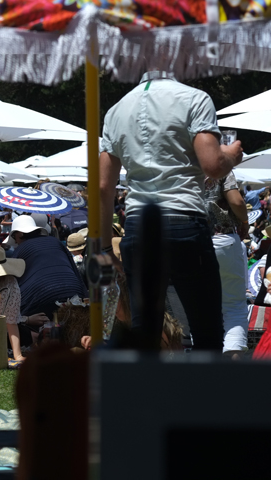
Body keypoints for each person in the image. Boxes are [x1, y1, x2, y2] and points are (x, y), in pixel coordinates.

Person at [99, 71, 243, 350]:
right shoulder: (195, 99)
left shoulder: (116, 110)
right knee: (206, 330)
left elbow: (104, 187)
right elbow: (213, 164)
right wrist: (231, 156)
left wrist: (105, 248)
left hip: (139, 226)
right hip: (184, 221)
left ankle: (147, 393)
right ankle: (204, 393)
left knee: (145, 331)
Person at [204, 171, 249, 357]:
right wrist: (245, 220)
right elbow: (237, 202)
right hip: (223, 240)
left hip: (190, 241)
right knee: (234, 306)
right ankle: (232, 367)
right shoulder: (218, 166)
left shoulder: (180, 160)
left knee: (198, 307)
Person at [8, 215, 88, 319]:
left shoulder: (20, 250)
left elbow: (13, 284)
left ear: (20, 234)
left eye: (14, 238)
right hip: (74, 293)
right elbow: (75, 272)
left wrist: (21, 319)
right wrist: (85, 298)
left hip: (39, 297)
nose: (15, 242)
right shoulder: (56, 242)